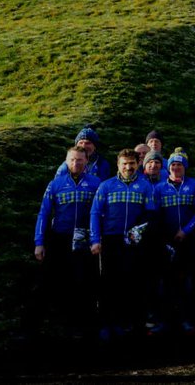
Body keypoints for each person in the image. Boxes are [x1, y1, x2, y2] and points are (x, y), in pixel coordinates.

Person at [30, 146, 101, 339]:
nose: (75, 163)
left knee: (81, 282)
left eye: (79, 160)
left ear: (87, 161)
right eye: (72, 159)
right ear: (66, 160)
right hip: (59, 238)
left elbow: (101, 212)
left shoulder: (96, 184)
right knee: (47, 282)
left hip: (84, 239)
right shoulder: (55, 184)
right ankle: (31, 328)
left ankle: (79, 326)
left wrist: (97, 238)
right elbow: (44, 213)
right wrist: (39, 242)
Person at [90, 149, 156, 340]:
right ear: (118, 165)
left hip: (134, 241)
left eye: (132, 163)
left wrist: (139, 231)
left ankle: (129, 324)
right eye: (124, 164)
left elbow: (150, 214)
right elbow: (95, 213)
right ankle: (106, 323)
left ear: (138, 164)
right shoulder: (106, 186)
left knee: (134, 284)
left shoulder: (145, 186)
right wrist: (95, 240)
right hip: (110, 240)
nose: (128, 167)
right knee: (109, 284)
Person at [151, 151, 195, 333]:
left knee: (187, 282)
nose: (176, 168)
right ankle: (164, 320)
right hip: (167, 241)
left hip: (189, 241)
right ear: (169, 167)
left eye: (180, 165)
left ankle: (186, 319)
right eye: (173, 165)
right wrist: (164, 236)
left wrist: (185, 231)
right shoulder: (159, 188)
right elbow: (155, 215)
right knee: (165, 282)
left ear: (185, 167)